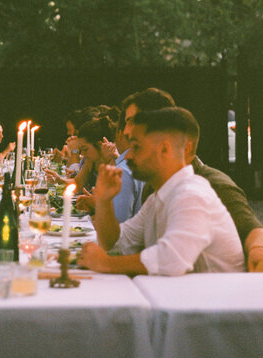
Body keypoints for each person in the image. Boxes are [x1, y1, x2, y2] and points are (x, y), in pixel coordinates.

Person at [106, 87, 263, 271]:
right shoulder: (157, 189)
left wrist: (259, 250)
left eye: (132, 122)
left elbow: (254, 229)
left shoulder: (209, 185)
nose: (126, 131)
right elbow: (122, 240)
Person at [78, 107, 244, 275]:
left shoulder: (191, 194)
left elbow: (172, 260)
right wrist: (104, 202)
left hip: (216, 300)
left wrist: (106, 263)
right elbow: (115, 243)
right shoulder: (158, 198)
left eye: (136, 147)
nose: (127, 157)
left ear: (164, 149)